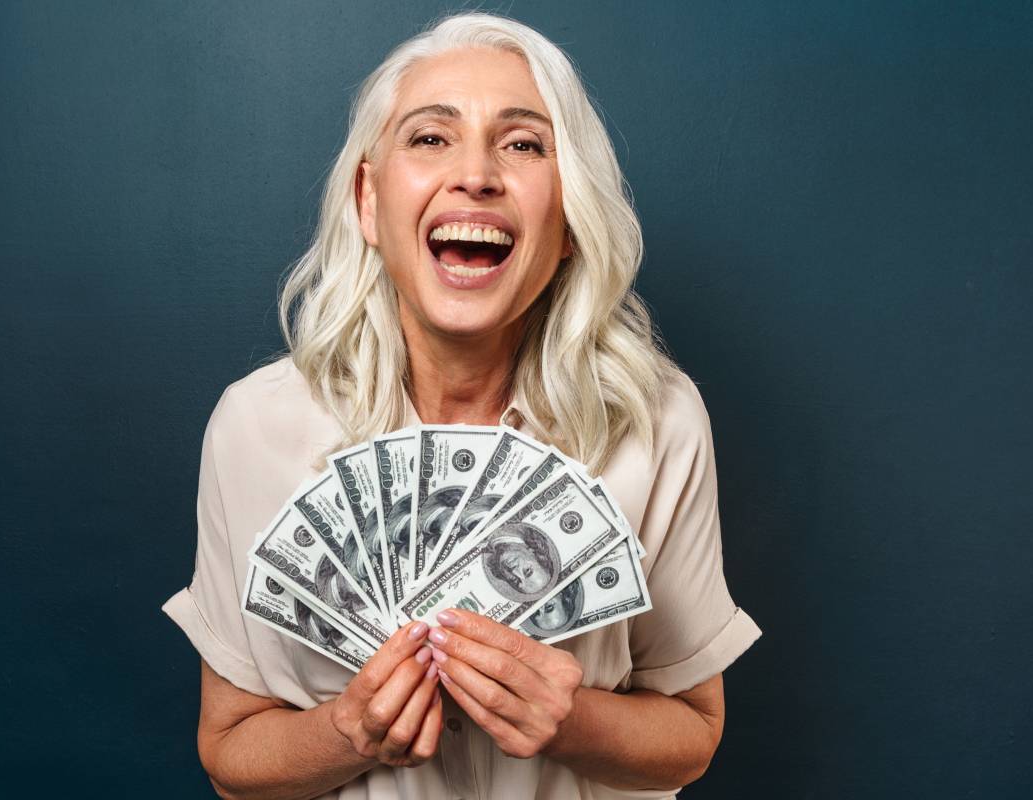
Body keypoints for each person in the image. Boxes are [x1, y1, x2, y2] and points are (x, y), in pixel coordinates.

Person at [162, 12, 761, 798]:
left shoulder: (658, 423)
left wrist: (573, 720)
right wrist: (347, 732)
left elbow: (693, 733)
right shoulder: (255, 427)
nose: (475, 173)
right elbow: (230, 756)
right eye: (430, 138)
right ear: (370, 202)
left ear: (571, 218)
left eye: (523, 143)